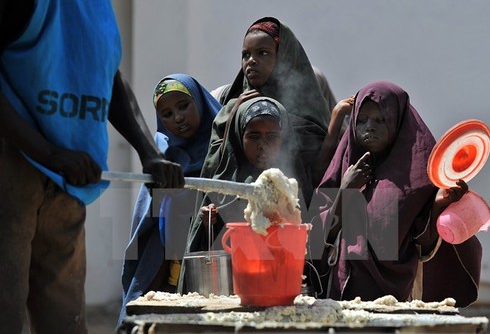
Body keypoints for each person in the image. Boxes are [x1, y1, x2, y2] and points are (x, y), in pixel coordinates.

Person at [0, 0, 183, 333]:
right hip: (13, 165)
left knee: (64, 319)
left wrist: (149, 151)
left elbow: (107, 74)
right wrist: (48, 152)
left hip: (68, 180)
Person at [313, 80, 481, 306]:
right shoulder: (343, 168)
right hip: (340, 302)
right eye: (361, 120)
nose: (369, 127)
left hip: (395, 303)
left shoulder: (418, 179)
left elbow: (424, 246)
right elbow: (315, 240)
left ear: (398, 120)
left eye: (380, 120)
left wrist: (439, 206)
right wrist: (345, 192)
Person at [119, 74, 221, 323]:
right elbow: (147, 213)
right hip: (165, 259)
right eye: (166, 114)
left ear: (200, 101)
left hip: (215, 258)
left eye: (183, 106)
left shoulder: (222, 146)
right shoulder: (159, 153)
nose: (177, 117)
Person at [203, 17, 331, 201]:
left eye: (262, 53)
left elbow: (321, 170)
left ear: (283, 57)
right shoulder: (231, 108)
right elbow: (214, 169)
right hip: (235, 214)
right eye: (246, 55)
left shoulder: (307, 110)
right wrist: (236, 120)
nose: (251, 61)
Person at [183, 96, 306, 262]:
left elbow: (306, 243)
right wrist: (208, 223)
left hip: (281, 278)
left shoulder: (290, 186)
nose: (262, 145)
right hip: (233, 279)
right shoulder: (222, 188)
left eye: (271, 137)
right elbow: (204, 252)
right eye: (254, 137)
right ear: (239, 137)